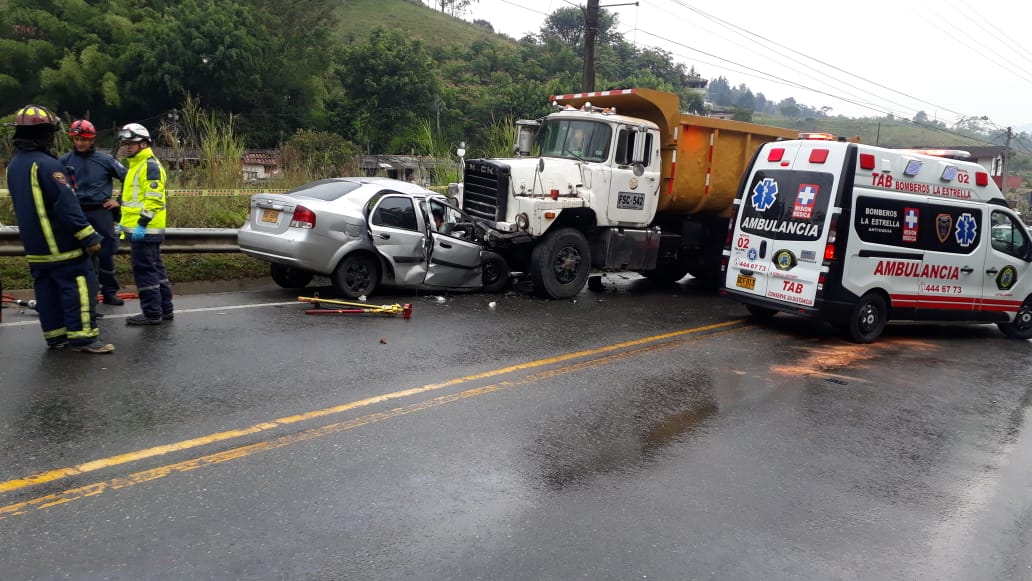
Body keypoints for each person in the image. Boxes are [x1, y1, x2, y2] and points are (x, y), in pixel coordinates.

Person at [4, 104, 115, 353]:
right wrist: (88, 237)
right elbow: (66, 205)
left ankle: (56, 338)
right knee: (79, 287)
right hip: (62, 246)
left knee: (47, 291)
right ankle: (84, 339)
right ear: (45, 133)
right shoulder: (47, 165)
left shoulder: (14, 167)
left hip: (35, 248)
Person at [60, 119, 128, 307]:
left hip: (101, 212)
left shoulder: (105, 160)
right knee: (80, 255)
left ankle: (109, 293)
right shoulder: (63, 161)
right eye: (77, 139)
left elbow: (129, 178)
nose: (80, 143)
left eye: (84, 139)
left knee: (106, 253)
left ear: (92, 140)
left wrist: (119, 201)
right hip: (77, 213)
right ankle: (88, 297)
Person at [117, 122, 174, 325]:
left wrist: (142, 223)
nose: (127, 146)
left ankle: (152, 313)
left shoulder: (149, 166)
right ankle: (165, 310)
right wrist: (123, 224)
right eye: (125, 143)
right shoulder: (136, 165)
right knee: (156, 269)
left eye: (132, 142)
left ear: (144, 144)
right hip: (141, 229)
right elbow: (132, 201)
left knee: (145, 271)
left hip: (146, 230)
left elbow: (154, 199)